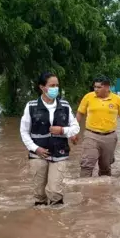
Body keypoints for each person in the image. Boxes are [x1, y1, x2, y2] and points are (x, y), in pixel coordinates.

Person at [20, 72, 80, 206]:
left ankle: (57, 222)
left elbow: (76, 128)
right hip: (38, 155)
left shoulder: (64, 105)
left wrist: (62, 130)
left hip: (60, 153)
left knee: (54, 191)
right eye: (52, 85)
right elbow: (24, 132)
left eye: (57, 85)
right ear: (42, 87)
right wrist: (36, 149)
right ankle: (41, 221)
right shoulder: (31, 106)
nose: (55, 89)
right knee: (39, 193)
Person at [76, 76, 120, 177]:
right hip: (91, 135)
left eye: (99, 87)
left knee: (105, 167)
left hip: (109, 137)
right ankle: (83, 190)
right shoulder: (88, 97)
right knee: (86, 165)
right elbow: (80, 113)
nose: (95, 90)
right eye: (95, 87)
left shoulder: (117, 100)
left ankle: (104, 191)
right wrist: (74, 131)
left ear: (107, 87)